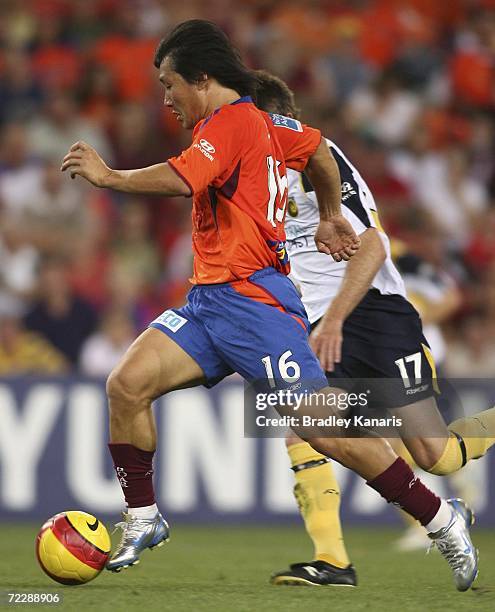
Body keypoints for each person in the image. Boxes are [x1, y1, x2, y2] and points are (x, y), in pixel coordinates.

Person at [62, 21, 477, 591]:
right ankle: (143, 515)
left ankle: (440, 517)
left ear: (202, 80)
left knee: (324, 431)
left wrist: (109, 176)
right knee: (126, 384)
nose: (165, 97)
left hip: (258, 304)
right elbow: (318, 151)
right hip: (209, 302)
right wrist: (330, 211)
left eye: (169, 83)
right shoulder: (265, 123)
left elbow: (182, 179)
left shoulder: (230, 123)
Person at [254, 70, 495, 591]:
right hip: (319, 326)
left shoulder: (318, 159)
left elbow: (373, 247)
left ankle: (439, 509)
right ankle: (333, 561)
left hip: (376, 316)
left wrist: (335, 318)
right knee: (305, 425)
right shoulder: (264, 178)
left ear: (272, 120)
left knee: (437, 453)